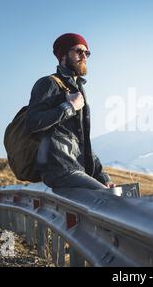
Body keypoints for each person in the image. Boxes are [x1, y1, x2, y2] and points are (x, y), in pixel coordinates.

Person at [25, 33, 114, 190]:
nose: (84, 56)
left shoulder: (78, 89)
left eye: (87, 53)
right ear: (63, 56)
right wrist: (69, 107)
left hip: (76, 170)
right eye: (79, 51)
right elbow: (32, 122)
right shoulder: (48, 83)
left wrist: (101, 176)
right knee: (108, 198)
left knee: (114, 194)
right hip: (58, 169)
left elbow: (83, 141)